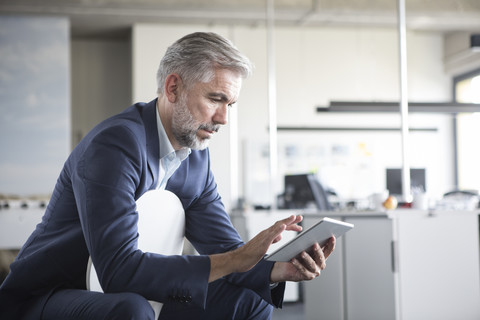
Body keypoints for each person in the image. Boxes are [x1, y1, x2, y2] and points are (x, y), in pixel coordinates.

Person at [0, 32, 335, 320]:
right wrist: (235, 259)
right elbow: (119, 270)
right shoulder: (115, 145)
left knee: (250, 303)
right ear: (173, 87)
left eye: (230, 104)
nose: (223, 118)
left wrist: (277, 269)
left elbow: (226, 248)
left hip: (128, 291)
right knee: (132, 311)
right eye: (215, 99)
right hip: (51, 294)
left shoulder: (196, 159)